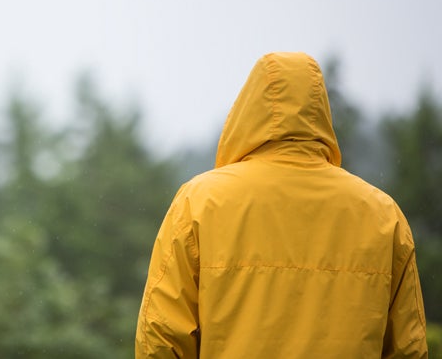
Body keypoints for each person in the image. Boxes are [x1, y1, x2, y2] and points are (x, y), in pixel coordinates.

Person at [135, 52, 428, 358]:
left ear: (247, 109)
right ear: (320, 112)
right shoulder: (382, 215)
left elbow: (161, 340)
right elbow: (409, 348)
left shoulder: (199, 203)